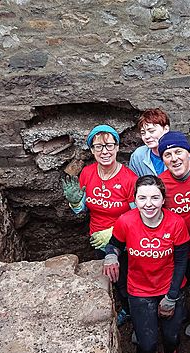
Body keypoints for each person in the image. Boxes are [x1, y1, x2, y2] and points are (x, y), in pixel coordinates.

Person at [103, 175, 190, 353]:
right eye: (142, 198)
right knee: (147, 342)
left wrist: (171, 297)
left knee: (171, 336)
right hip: (140, 291)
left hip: (170, 287)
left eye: (154, 197)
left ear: (163, 200)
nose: (148, 204)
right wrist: (111, 257)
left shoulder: (176, 223)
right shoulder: (126, 221)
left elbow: (181, 261)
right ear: (135, 200)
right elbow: (114, 245)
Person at [61, 124, 137, 327]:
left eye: (109, 145)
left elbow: (138, 216)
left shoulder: (129, 179)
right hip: (97, 239)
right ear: (92, 151)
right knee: (108, 278)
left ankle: (131, 311)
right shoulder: (87, 173)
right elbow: (83, 209)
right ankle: (121, 307)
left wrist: (114, 234)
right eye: (99, 147)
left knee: (125, 281)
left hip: (123, 241)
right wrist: (76, 202)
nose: (105, 151)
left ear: (117, 147)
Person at [157, 131, 190, 337]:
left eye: (179, 152)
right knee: (184, 283)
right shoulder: (161, 183)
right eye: (168, 155)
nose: (174, 158)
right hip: (179, 250)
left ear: (189, 153)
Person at [129, 108, 170, 176]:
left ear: (166, 129)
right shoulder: (138, 156)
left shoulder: (184, 152)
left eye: (151, 131)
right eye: (143, 133)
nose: (147, 136)